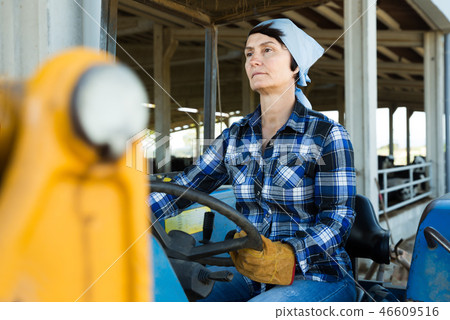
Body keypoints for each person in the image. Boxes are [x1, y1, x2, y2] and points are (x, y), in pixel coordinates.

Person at [149, 18, 356, 302]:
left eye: (267, 50)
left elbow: (338, 218)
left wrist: (290, 254)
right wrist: (126, 213)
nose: (254, 60)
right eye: (249, 53)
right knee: (174, 300)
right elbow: (186, 187)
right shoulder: (235, 136)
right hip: (249, 275)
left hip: (316, 275)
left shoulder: (326, 135)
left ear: (295, 66)